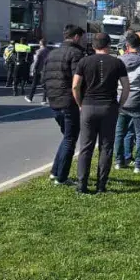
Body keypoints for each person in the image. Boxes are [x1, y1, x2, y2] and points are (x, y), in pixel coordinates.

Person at [72, 32, 129, 194]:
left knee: (86, 147)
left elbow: (75, 86)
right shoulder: (117, 63)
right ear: (109, 45)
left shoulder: (84, 62)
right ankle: (101, 185)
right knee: (106, 147)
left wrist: (80, 103)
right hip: (108, 107)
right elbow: (126, 87)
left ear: (93, 46)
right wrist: (120, 105)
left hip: (89, 106)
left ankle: (82, 185)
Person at [44, 25, 87, 184]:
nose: (83, 41)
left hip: (54, 100)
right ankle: (61, 177)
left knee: (67, 137)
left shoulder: (52, 53)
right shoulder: (76, 53)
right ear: (76, 37)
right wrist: (81, 101)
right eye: (82, 38)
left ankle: (55, 171)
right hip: (69, 101)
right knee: (70, 138)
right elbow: (79, 80)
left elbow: (44, 78)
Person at [114, 32, 140, 173]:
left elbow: (115, 82)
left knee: (119, 132)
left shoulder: (119, 60)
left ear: (127, 45)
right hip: (139, 101)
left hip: (122, 100)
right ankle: (139, 164)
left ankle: (119, 161)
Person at [26, 36, 52, 102]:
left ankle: (30, 98)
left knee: (34, 84)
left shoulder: (38, 51)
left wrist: (33, 69)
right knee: (45, 85)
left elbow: (36, 61)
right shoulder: (49, 52)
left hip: (38, 70)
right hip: (45, 70)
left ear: (40, 44)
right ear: (45, 44)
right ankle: (44, 100)